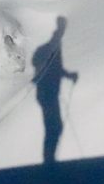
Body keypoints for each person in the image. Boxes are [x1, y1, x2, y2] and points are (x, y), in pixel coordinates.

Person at [32, 16, 78, 163]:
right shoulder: (52, 49)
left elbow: (56, 69)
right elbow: (53, 67)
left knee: (54, 126)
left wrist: (69, 75)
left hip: (47, 93)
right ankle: (49, 160)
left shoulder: (52, 51)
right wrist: (60, 28)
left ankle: (49, 159)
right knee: (55, 126)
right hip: (48, 94)